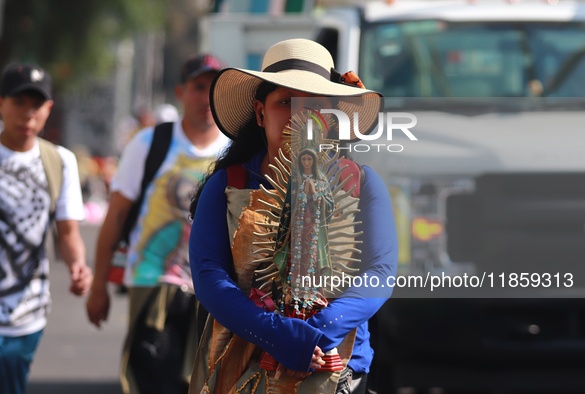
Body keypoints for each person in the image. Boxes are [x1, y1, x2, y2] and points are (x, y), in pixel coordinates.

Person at [188, 38, 397, 394]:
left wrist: (318, 332)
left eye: (314, 105)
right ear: (260, 112)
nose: (301, 115)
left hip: (336, 367)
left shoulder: (361, 185)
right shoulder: (226, 185)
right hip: (240, 371)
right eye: (286, 102)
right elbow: (210, 277)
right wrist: (274, 334)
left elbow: (380, 274)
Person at [85, 53, 229, 394]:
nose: (205, 98)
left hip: (213, 291)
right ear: (180, 92)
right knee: (151, 382)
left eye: (213, 89)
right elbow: (116, 216)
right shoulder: (150, 143)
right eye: (197, 87)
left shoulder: (233, 149)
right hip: (153, 283)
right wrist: (98, 285)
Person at [0, 63, 92, 394]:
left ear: (48, 109)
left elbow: (67, 233)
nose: (28, 113)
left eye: (36, 104)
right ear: (1, 103)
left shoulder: (60, 160)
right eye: (18, 102)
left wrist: (78, 265)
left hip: (26, 314)